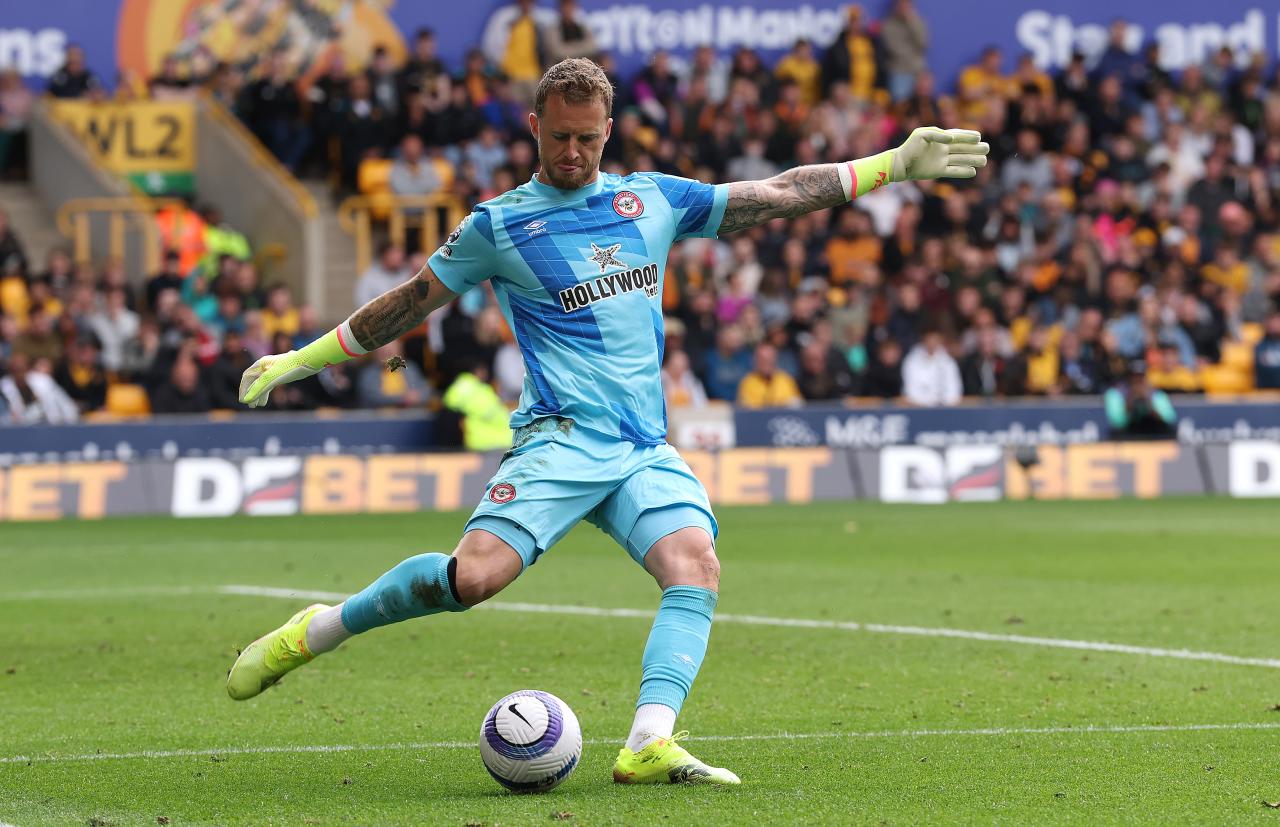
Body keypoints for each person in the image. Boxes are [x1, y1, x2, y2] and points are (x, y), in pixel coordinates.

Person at [227, 57, 986, 784]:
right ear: (534, 126)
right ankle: (319, 629)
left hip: (641, 448)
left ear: (608, 130)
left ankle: (649, 742)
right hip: (558, 441)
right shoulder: (498, 226)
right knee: (472, 579)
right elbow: (407, 303)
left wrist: (891, 165)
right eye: (559, 135)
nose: (572, 151)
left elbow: (779, 192)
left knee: (695, 565)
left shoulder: (650, 200)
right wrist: (300, 360)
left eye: (587, 137)